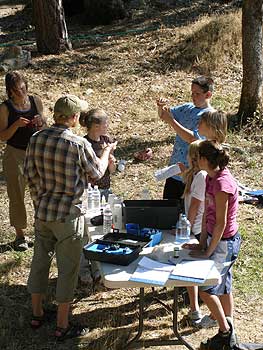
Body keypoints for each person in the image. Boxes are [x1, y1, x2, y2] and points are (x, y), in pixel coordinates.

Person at [24, 95, 116, 341]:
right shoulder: (77, 143)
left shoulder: (36, 138)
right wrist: (106, 152)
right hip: (69, 216)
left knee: (39, 261)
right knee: (68, 270)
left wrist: (39, 202)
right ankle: (62, 325)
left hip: (43, 213)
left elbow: (29, 175)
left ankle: (37, 313)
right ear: (74, 118)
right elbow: (97, 172)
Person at [184, 140, 241, 350]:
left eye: (198, 157)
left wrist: (208, 251)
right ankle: (228, 329)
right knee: (224, 287)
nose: (195, 160)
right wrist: (201, 245)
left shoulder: (221, 183)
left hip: (225, 242)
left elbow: (220, 222)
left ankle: (225, 333)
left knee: (207, 288)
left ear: (206, 160)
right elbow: (208, 219)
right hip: (215, 239)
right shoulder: (209, 177)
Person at [0, 71, 45, 251]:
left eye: (23, 88)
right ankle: (20, 236)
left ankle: (42, 231)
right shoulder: (5, 108)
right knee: (17, 194)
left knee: (41, 192)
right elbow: (2, 136)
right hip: (14, 154)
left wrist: (40, 122)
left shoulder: (35, 101)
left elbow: (46, 126)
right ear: (10, 92)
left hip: (36, 153)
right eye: (16, 90)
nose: (21, 92)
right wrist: (15, 125)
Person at [156, 76, 214, 200]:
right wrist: (161, 107)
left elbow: (194, 139)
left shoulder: (210, 116)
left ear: (208, 94)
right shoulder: (187, 108)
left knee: (187, 213)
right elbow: (164, 115)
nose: (193, 96)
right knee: (169, 209)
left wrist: (171, 121)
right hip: (174, 170)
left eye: (197, 94)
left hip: (191, 174)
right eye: (192, 93)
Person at [180, 140, 207, 327]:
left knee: (193, 274)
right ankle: (194, 308)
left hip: (197, 230)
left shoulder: (201, 176)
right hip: (193, 227)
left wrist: (186, 228)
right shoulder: (195, 175)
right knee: (188, 273)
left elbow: (195, 206)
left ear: (194, 157)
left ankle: (198, 311)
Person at [79, 108, 116, 201]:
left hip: (105, 188)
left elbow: (112, 171)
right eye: (105, 123)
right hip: (90, 192)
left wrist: (112, 162)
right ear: (96, 126)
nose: (108, 125)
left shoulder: (107, 140)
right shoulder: (84, 144)